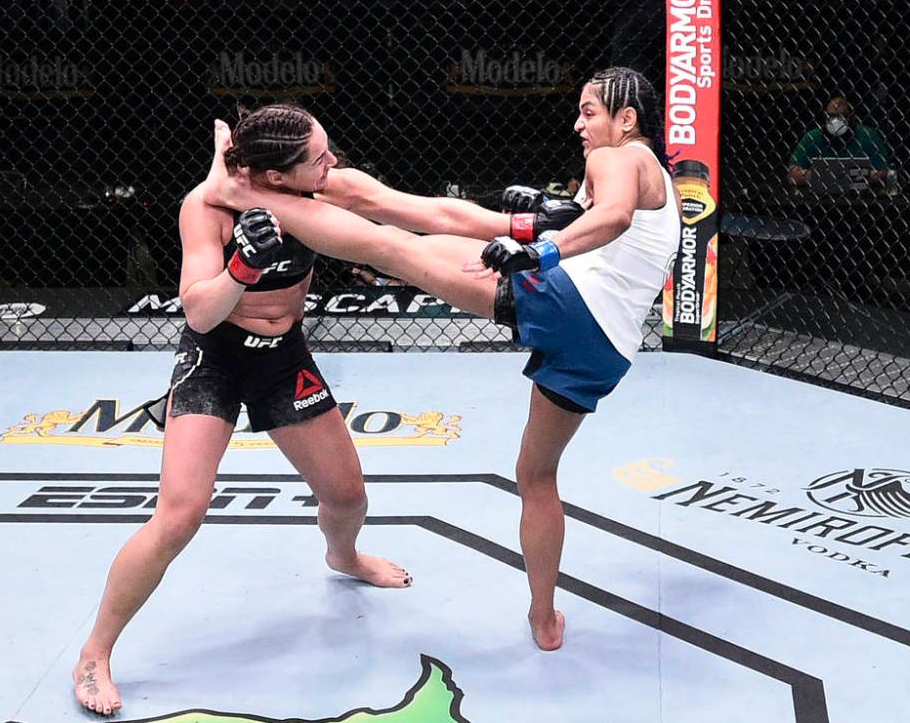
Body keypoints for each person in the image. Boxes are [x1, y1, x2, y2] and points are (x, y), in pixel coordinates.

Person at [71, 103, 583, 716]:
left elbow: (427, 213)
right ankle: (95, 653)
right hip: (217, 359)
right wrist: (241, 266)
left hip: (283, 359)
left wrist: (520, 222)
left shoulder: (329, 189)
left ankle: (342, 555)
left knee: (347, 498)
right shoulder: (205, 208)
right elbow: (200, 311)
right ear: (279, 175)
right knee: (180, 514)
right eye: (318, 158)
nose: (332, 161)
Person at [205, 67, 680, 653]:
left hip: (569, 302)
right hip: (604, 349)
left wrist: (537, 253)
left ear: (626, 118)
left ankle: (244, 188)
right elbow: (607, 226)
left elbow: (613, 218)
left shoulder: (619, 157)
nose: (579, 124)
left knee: (401, 246)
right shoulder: (654, 169)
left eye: (589, 112)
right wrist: (542, 226)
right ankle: (543, 617)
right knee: (535, 475)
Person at [787, 94, 891, 189]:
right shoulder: (812, 137)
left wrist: (822, 175)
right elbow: (792, 174)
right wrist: (855, 175)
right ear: (825, 117)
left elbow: (884, 172)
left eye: (842, 116)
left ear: (851, 117)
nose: (836, 121)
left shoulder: (868, 135)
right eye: (831, 116)